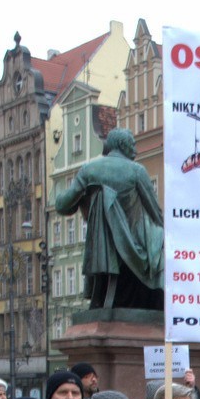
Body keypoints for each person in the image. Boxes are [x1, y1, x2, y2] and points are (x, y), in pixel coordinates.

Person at [55, 127, 163, 310]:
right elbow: (155, 212)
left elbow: (63, 206)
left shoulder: (89, 170)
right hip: (133, 251)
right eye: (132, 144)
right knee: (160, 238)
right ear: (122, 145)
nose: (135, 150)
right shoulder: (136, 171)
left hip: (101, 250)